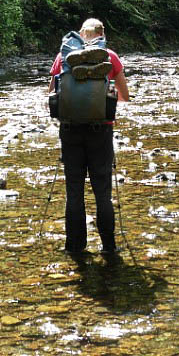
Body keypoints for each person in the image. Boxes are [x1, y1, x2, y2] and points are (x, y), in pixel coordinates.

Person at [48, 17, 129, 256]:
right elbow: (125, 96)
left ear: (81, 35)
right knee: (102, 191)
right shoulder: (110, 57)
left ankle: (75, 248)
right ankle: (109, 247)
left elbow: (51, 95)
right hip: (100, 131)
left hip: (70, 131)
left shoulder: (64, 57)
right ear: (102, 35)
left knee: (74, 190)